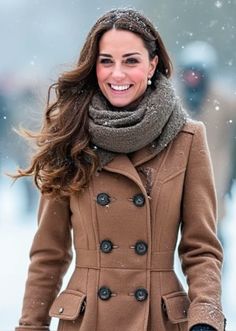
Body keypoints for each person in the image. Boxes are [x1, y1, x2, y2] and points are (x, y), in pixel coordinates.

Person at [14, 9, 225, 331]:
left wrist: (206, 316)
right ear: (93, 66)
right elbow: (49, 253)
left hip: (157, 317)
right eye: (106, 61)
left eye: (131, 61)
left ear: (153, 64)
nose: (117, 74)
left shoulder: (187, 138)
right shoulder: (70, 134)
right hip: (88, 319)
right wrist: (31, 325)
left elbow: (201, 248)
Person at [176, 41, 236, 246]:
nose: (192, 79)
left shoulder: (226, 103)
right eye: (189, 73)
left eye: (197, 74)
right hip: (178, 181)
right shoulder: (171, 101)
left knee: (213, 240)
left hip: (214, 181)